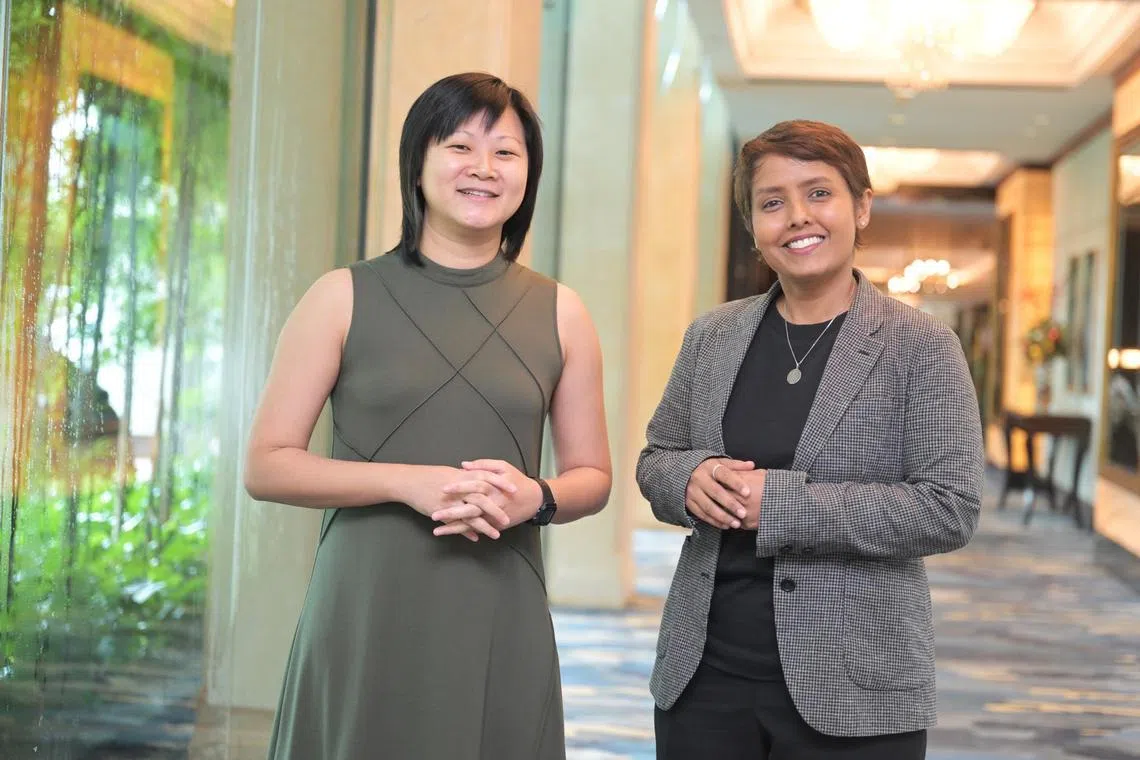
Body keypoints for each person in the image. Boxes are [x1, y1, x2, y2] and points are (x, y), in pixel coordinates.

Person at [244, 72, 612, 760]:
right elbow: (267, 466)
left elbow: (592, 476)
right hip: (365, 597)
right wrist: (406, 482)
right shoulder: (340, 296)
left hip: (500, 594)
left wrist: (536, 497)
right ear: (417, 163)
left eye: (506, 152)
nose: (483, 168)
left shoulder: (563, 312)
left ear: (528, 175)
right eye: (460, 146)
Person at [637, 119, 984, 759]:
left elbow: (949, 508)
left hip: (855, 681)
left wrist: (779, 504)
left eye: (819, 193)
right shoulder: (712, 335)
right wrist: (688, 479)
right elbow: (657, 459)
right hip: (704, 675)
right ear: (753, 227)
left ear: (862, 207)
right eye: (772, 202)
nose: (798, 216)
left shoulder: (923, 347)